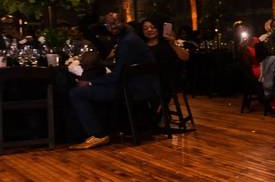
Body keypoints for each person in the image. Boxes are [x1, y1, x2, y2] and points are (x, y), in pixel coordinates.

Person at [68, 19, 157, 150]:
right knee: (94, 87)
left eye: (115, 23)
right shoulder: (130, 39)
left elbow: (117, 76)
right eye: (109, 24)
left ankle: (98, 134)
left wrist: (90, 82)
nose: (112, 27)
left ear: (123, 23)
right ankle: (110, 129)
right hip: (140, 85)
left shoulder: (127, 42)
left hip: (133, 90)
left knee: (77, 93)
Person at [140, 18, 189, 95]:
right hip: (148, 80)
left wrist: (172, 44)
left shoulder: (167, 43)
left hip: (167, 81)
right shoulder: (141, 46)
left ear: (158, 28)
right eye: (145, 28)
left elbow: (185, 57)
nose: (149, 30)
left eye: (153, 27)